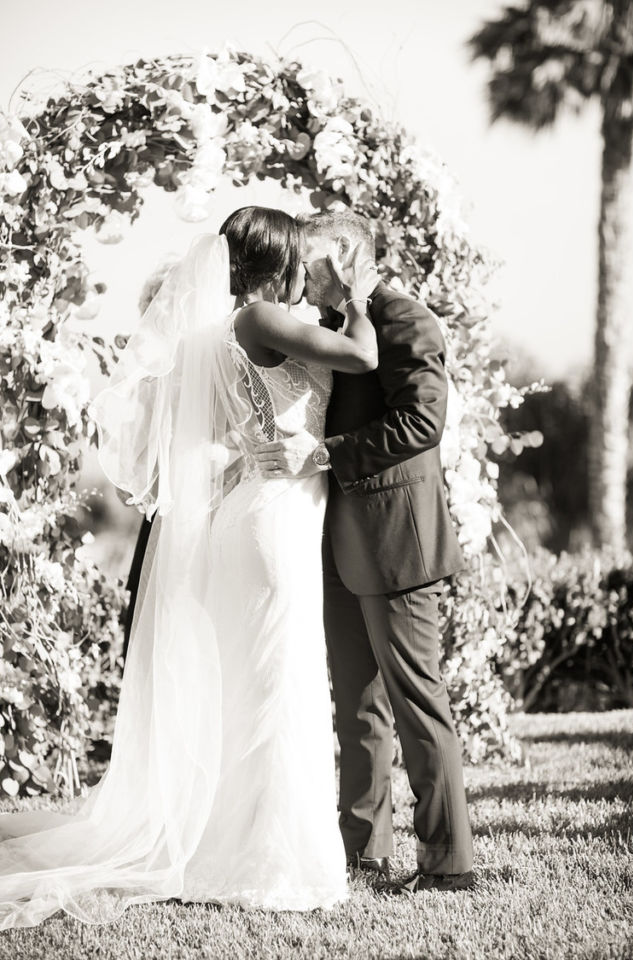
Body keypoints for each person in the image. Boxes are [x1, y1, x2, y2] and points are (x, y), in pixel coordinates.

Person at [0, 206, 379, 928]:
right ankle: (270, 863)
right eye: (301, 260)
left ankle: (232, 846)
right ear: (278, 263)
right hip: (273, 522)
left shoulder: (219, 332)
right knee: (280, 685)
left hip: (263, 513)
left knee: (261, 686)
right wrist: (358, 294)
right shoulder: (260, 317)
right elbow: (361, 357)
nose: (307, 273)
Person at [256, 209, 475, 892]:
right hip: (337, 545)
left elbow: (421, 423)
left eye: (310, 257)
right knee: (357, 708)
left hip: (395, 542)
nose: (299, 269)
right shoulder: (332, 329)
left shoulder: (406, 320)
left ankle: (448, 863)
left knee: (416, 703)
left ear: (347, 255)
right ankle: (364, 851)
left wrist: (324, 453)